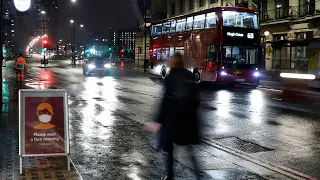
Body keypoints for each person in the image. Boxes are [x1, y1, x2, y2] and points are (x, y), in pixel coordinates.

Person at [144, 52, 201, 180]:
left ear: (172, 62)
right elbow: (196, 101)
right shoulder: (190, 76)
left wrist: (157, 120)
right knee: (189, 150)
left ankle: (170, 176)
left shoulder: (170, 77)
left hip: (172, 120)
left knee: (169, 149)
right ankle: (198, 175)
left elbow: (165, 101)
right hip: (188, 120)